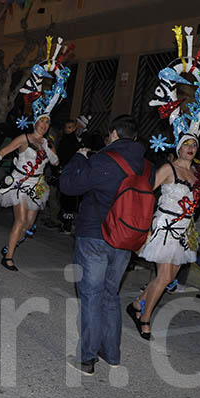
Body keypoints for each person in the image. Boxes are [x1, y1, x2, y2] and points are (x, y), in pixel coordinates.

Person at [60, 115, 149, 375]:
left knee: (90, 295)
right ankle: (111, 354)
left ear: (114, 135)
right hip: (125, 239)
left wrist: (79, 157)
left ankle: (86, 359)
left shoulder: (102, 161)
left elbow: (68, 185)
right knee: (111, 295)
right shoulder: (146, 166)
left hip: (95, 235)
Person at [128, 135, 200, 340]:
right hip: (165, 226)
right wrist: (144, 223)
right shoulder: (168, 168)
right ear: (178, 148)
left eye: (194, 145)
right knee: (164, 278)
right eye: (186, 144)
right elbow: (145, 192)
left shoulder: (198, 172)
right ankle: (145, 317)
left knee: (169, 279)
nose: (190, 148)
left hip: (184, 230)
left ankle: (137, 303)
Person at [0, 114, 59, 271]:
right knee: (20, 221)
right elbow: (4, 150)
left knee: (28, 224)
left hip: (37, 184)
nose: (44, 125)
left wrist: (47, 148)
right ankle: (8, 258)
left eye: (47, 122)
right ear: (36, 122)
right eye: (42, 121)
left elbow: (55, 162)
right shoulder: (24, 138)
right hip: (20, 181)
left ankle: (9, 245)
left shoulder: (48, 143)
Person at [57, 117, 86, 234]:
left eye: (70, 128)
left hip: (71, 174)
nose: (67, 130)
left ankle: (67, 225)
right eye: (66, 128)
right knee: (64, 200)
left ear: (74, 128)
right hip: (64, 172)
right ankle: (64, 223)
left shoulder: (74, 142)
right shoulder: (65, 139)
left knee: (69, 201)